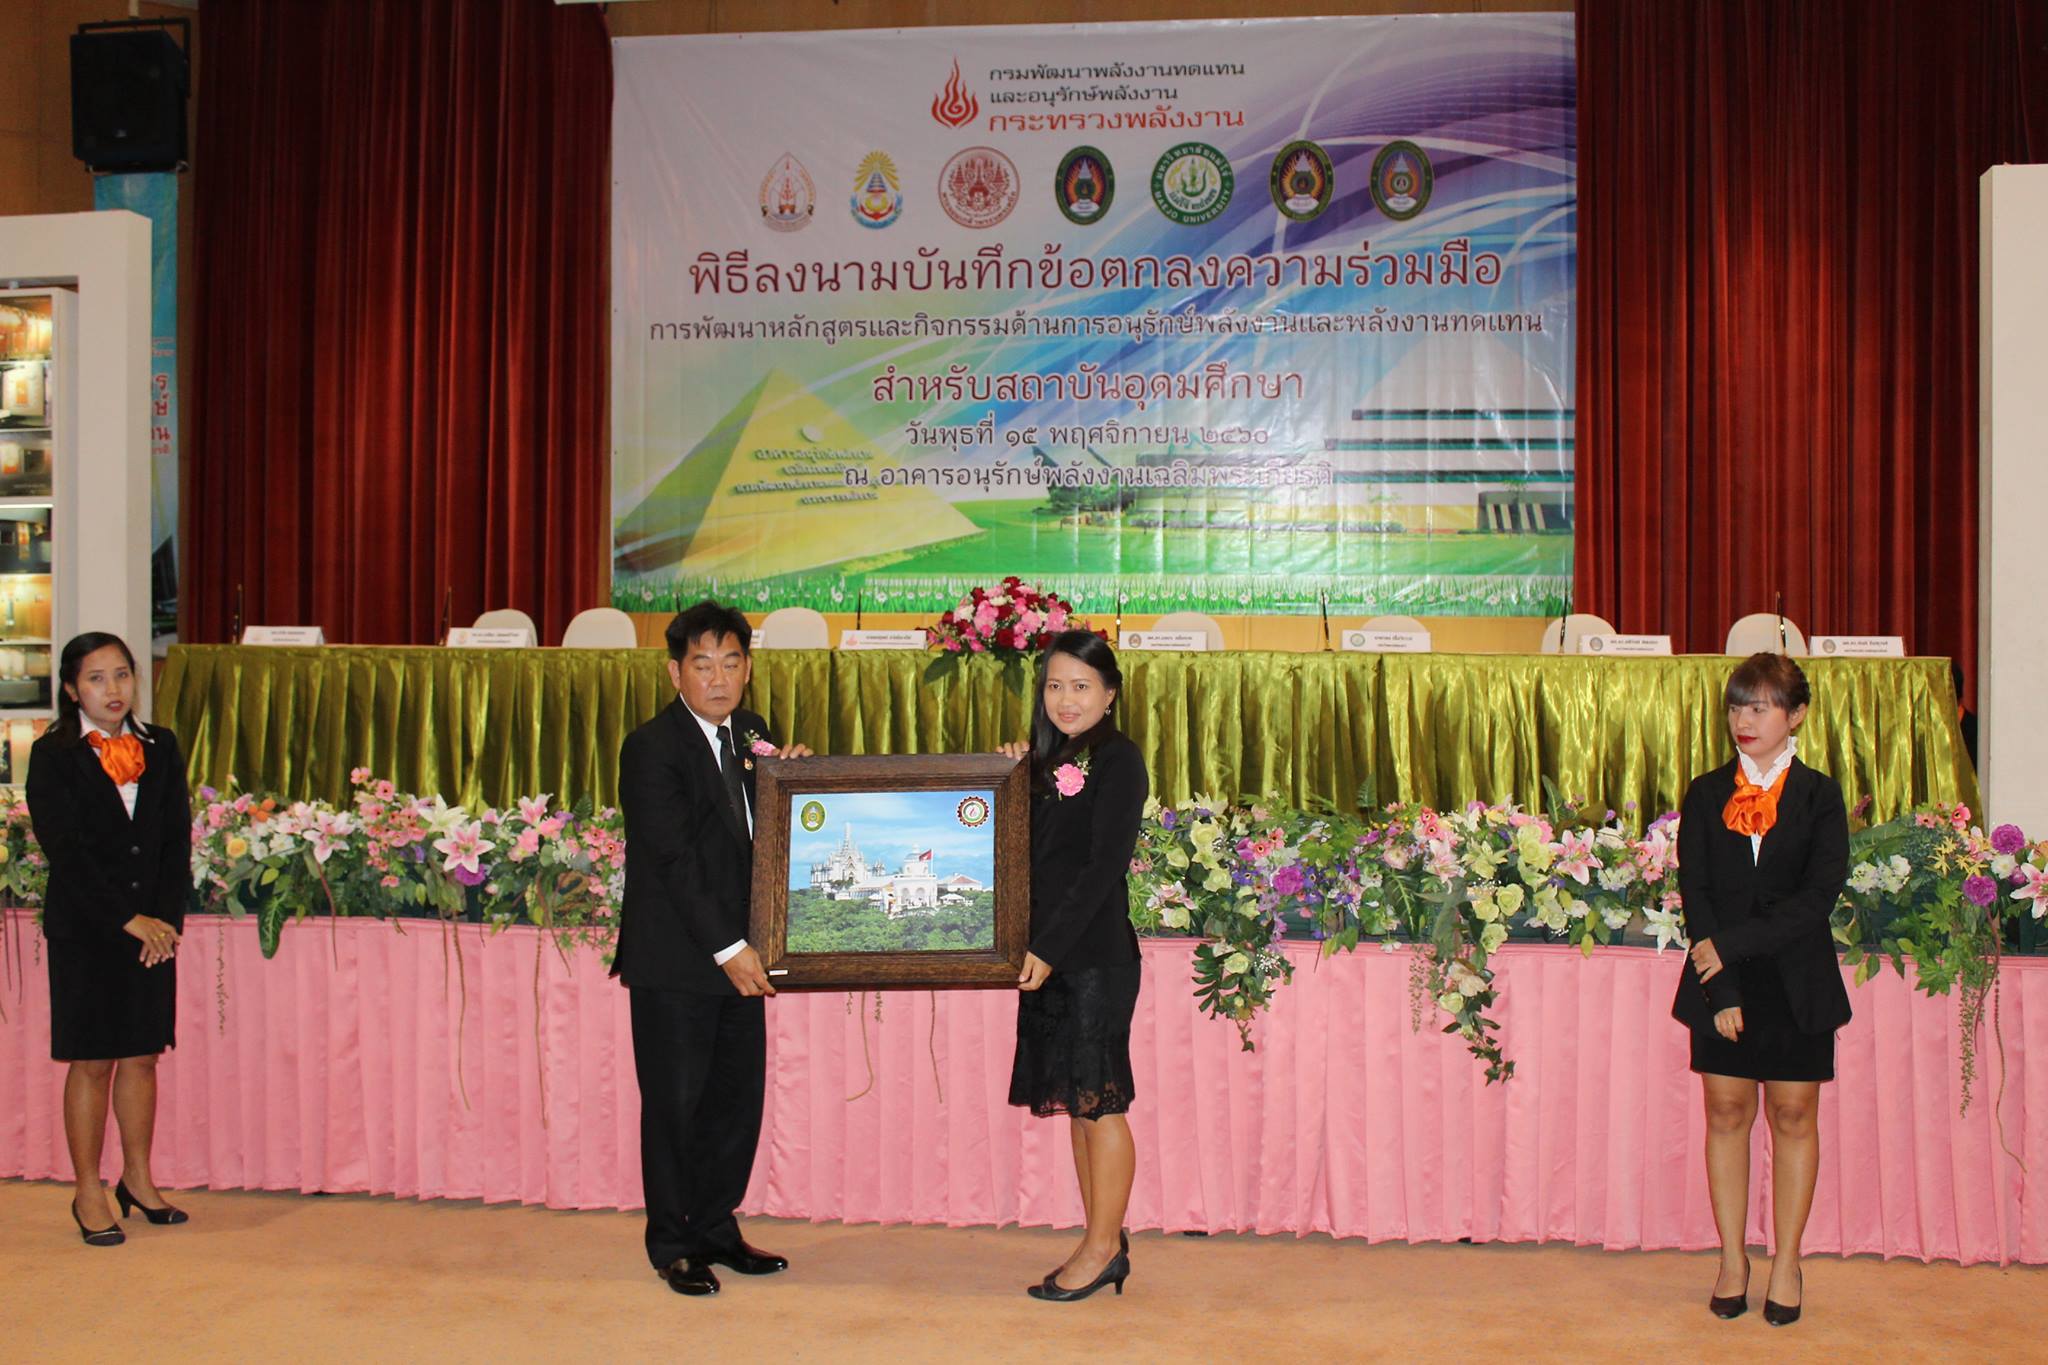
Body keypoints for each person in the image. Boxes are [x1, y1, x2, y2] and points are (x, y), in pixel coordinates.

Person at [613, 601, 811, 1297]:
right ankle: (672, 1242)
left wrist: (795, 781)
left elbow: (765, 835)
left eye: (731, 662)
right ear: (676, 673)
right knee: (677, 1106)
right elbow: (672, 860)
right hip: (679, 961)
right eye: (703, 664)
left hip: (743, 958)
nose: (718, 678)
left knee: (734, 1103)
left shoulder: (753, 733)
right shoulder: (651, 747)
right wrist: (730, 948)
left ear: (748, 668)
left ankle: (716, 1227)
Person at [1673, 652, 1851, 1327]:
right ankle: (1731, 1260)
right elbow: (1697, 893)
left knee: (1794, 1116)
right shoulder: (1704, 792)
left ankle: (1786, 1262)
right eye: (1736, 706)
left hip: (1796, 979)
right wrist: (1720, 984)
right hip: (1721, 980)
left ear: (1795, 714)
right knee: (1725, 1113)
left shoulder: (1820, 795)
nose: (1743, 720)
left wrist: (1730, 946)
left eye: (1759, 706)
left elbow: (1815, 900)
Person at [27, 632, 193, 1246]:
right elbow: (66, 852)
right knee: (93, 1061)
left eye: (122, 674)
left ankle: (138, 1179)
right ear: (72, 690)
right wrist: (129, 919)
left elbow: (175, 840)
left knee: (143, 1056)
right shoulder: (53, 754)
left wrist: (164, 922)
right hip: (89, 930)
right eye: (96, 679)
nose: (113, 689)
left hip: (153, 931)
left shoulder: (161, 745)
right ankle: (87, 1191)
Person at [998, 630, 1148, 1302]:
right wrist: (1011, 776)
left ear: (1110, 694)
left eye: (1082, 686)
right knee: (1079, 1106)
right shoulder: (1045, 760)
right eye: (1055, 685)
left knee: (1101, 1103)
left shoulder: (1119, 759)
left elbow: (1101, 868)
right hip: (1051, 957)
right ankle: (1102, 1236)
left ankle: (1102, 1248)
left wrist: (1048, 948)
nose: (1066, 698)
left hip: (1091, 957)